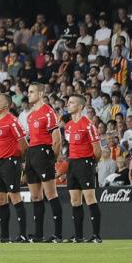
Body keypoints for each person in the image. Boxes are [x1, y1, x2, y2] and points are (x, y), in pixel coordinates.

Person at [21, 82, 64, 243]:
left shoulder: (48, 112)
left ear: (40, 94)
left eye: (31, 92)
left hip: (44, 152)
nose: (28, 94)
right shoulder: (30, 115)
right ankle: (38, 235)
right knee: (35, 196)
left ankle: (58, 234)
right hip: (32, 153)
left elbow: (57, 139)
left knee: (51, 194)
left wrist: (52, 158)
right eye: (28, 92)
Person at [63, 94, 103, 243]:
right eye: (68, 102)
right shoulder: (68, 126)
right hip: (72, 163)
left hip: (85, 163)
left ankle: (96, 235)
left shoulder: (88, 125)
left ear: (80, 107)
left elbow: (97, 150)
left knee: (90, 198)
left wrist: (91, 164)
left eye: (71, 103)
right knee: (75, 200)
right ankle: (78, 236)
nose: (68, 105)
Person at [0, 91, 25, 243]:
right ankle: (4, 236)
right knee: (0, 199)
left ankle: (22, 235)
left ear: (6, 105)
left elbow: (23, 144)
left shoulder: (12, 121)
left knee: (14, 196)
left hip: (10, 161)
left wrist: (19, 160)